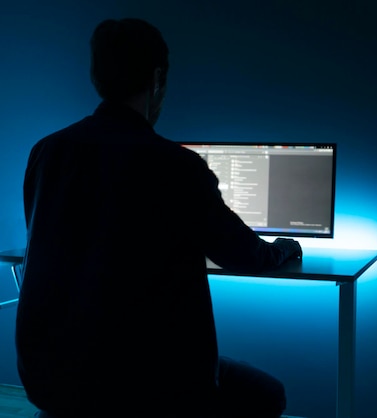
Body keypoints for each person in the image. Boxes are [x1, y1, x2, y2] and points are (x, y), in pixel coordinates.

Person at [15, 18, 302, 418]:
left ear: (96, 76)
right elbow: (243, 255)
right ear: (156, 79)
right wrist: (286, 248)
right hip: (148, 382)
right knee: (269, 395)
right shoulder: (175, 166)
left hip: (50, 377)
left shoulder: (46, 153)